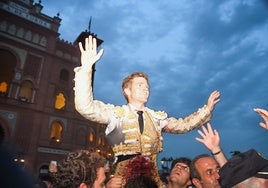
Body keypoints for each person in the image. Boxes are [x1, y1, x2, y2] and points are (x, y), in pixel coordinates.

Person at [74, 35, 221, 187]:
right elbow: (85, 107)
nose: (145, 89)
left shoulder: (156, 118)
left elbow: (183, 125)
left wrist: (207, 109)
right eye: (140, 85)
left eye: (147, 86)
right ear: (127, 90)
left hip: (152, 180)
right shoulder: (116, 114)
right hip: (122, 181)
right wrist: (86, 69)